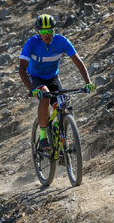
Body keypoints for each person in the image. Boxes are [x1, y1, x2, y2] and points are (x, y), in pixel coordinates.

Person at [19, 14, 95, 151]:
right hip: (36, 78)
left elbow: (78, 62)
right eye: (43, 32)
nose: (47, 35)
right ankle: (43, 137)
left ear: (54, 31)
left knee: (63, 105)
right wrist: (31, 90)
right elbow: (22, 70)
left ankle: (59, 130)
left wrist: (88, 82)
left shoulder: (61, 41)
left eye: (50, 31)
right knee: (44, 94)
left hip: (53, 77)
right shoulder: (32, 43)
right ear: (38, 33)